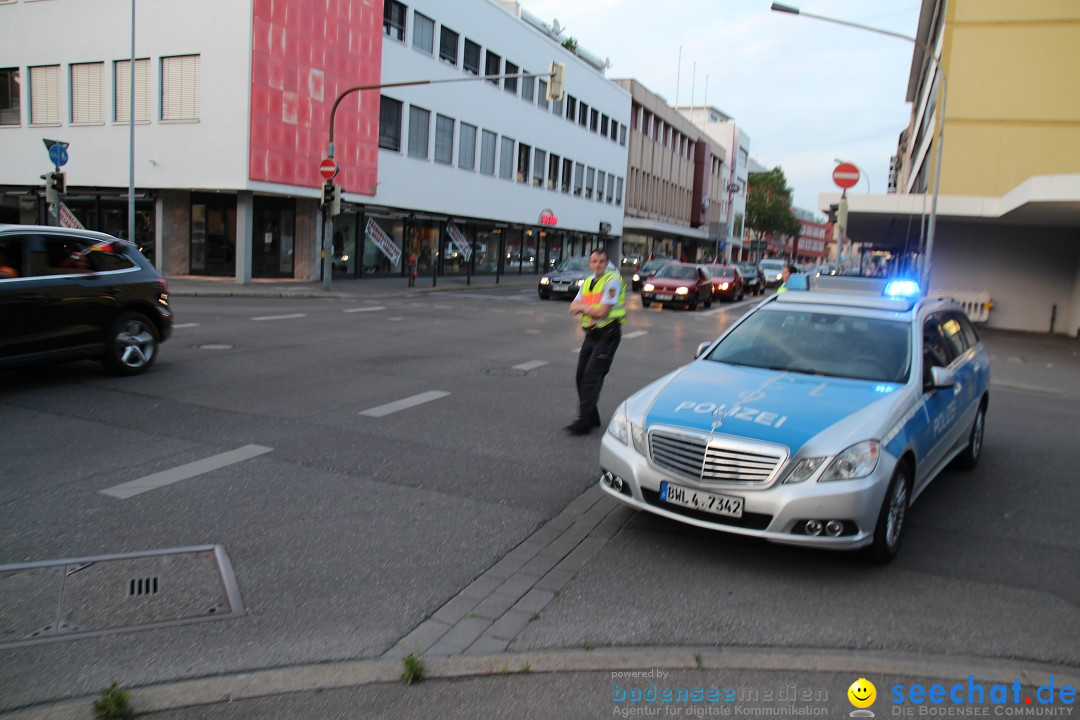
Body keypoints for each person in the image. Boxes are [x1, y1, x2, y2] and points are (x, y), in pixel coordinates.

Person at [566, 249, 626, 435]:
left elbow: (603, 312)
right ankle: (592, 416)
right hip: (591, 334)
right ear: (590, 263)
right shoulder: (588, 282)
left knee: (592, 377)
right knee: (581, 376)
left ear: (607, 262)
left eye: (601, 261)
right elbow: (571, 308)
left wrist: (583, 308)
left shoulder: (612, 281)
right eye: (594, 261)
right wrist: (587, 308)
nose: (597, 264)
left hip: (608, 334)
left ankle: (584, 422)